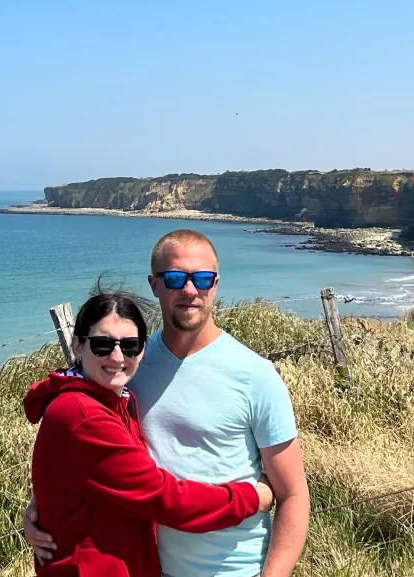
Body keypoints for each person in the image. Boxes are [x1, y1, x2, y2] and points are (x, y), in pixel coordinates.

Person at [26, 229, 310, 577]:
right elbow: (117, 474)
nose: (189, 290)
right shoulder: (127, 373)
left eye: (202, 278)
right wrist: (47, 506)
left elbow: (294, 494)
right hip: (152, 566)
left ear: (215, 284)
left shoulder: (255, 375)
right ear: (154, 284)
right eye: (175, 278)